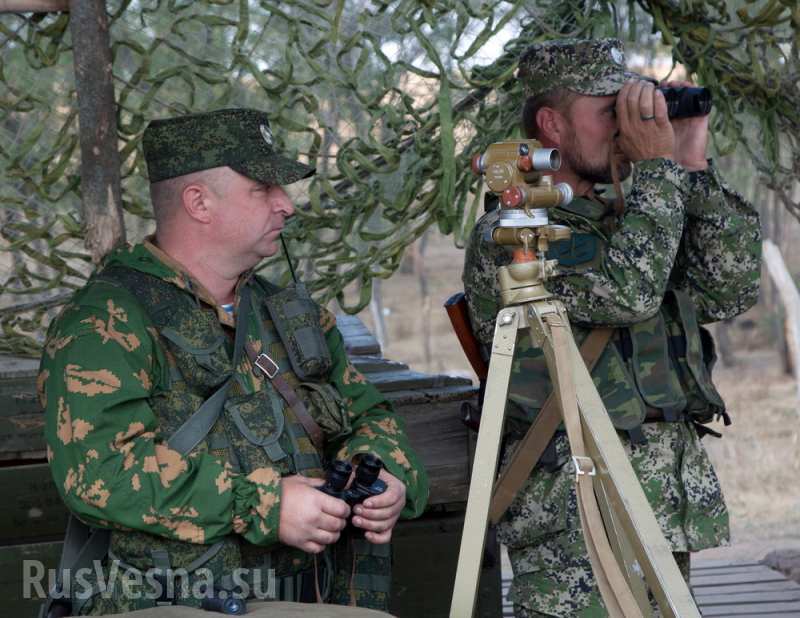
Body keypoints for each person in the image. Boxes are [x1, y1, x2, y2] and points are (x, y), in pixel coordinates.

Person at [39, 108, 429, 615]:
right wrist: (266, 504)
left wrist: (387, 479)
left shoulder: (289, 318)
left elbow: (371, 416)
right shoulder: (105, 324)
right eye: (263, 189)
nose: (286, 205)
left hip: (312, 593)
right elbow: (99, 474)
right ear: (199, 202)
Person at [462, 38, 761, 617]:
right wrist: (656, 171)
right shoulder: (518, 234)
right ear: (552, 125)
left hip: (658, 498)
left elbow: (730, 288)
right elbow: (630, 293)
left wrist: (690, 163)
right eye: (609, 111)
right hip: (576, 512)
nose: (629, 127)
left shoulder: (638, 213)